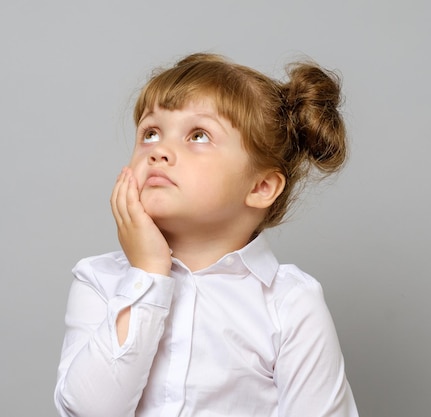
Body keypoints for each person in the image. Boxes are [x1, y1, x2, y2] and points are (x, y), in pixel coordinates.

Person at [54, 52, 358, 417]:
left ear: (261, 186)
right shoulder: (100, 281)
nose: (159, 152)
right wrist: (148, 273)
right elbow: (88, 410)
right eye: (150, 133)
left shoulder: (289, 304)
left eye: (198, 135)